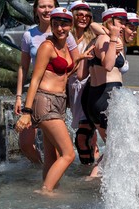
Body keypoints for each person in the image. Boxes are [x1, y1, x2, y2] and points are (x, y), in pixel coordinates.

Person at [15, 8, 94, 195]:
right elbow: (35, 79)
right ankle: (45, 190)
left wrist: (79, 59)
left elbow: (63, 74)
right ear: (51, 25)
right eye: (56, 24)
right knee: (68, 154)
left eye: (64, 24)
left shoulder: (66, 44)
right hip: (45, 101)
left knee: (52, 154)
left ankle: (50, 188)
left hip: (58, 102)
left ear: (71, 25)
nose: (60, 28)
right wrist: (27, 112)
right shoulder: (47, 46)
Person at [15, 0, 79, 164]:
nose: (46, 10)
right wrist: (18, 97)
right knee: (25, 144)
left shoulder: (64, 32)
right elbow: (23, 67)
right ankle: (40, 169)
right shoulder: (29, 35)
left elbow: (74, 62)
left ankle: (49, 179)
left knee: (55, 148)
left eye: (50, 6)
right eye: (42, 6)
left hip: (55, 97)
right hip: (35, 94)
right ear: (36, 10)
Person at [80, 8, 127, 142]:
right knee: (118, 149)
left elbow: (81, 75)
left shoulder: (92, 41)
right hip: (108, 96)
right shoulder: (107, 40)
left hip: (93, 99)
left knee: (111, 150)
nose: (123, 25)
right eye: (120, 22)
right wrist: (112, 39)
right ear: (109, 22)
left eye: (125, 22)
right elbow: (108, 66)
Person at [67, 1, 99, 165]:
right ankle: (92, 164)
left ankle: (87, 168)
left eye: (88, 16)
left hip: (88, 87)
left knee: (83, 135)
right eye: (80, 14)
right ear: (72, 15)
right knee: (88, 134)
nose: (84, 18)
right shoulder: (65, 36)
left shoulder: (92, 38)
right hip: (70, 87)